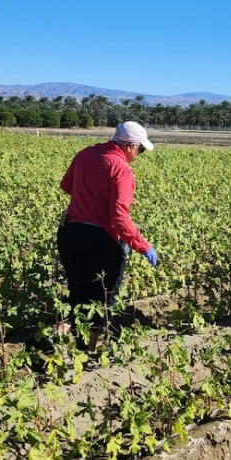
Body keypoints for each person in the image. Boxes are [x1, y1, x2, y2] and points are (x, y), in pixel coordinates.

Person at [57, 121, 157, 351]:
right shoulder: (121, 169)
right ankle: (92, 349)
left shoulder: (85, 154)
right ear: (130, 146)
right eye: (140, 150)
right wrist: (143, 246)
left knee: (76, 291)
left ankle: (59, 344)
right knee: (104, 297)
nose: (138, 154)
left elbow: (66, 185)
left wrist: (89, 197)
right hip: (101, 241)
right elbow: (120, 217)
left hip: (71, 233)